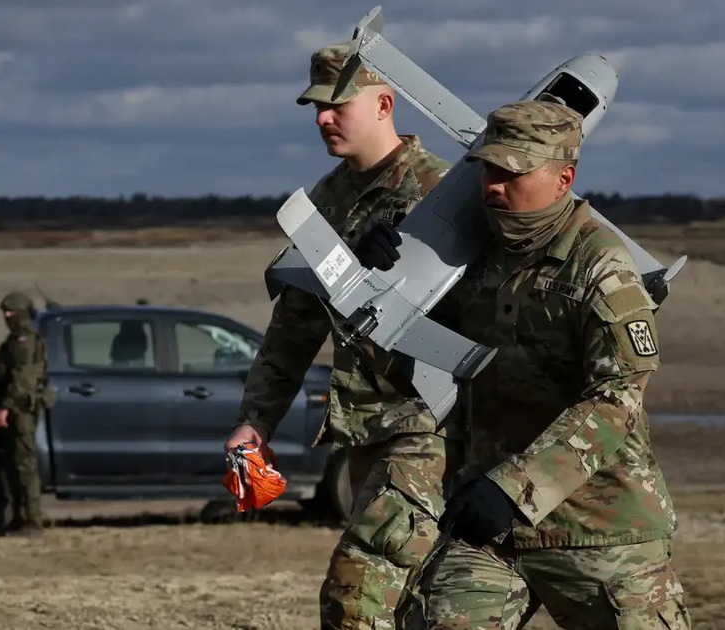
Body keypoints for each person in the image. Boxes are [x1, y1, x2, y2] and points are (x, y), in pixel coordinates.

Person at [350, 100, 691, 629]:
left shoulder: (602, 267)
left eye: (513, 173)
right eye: (488, 170)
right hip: (489, 531)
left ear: (563, 179)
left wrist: (513, 488)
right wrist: (379, 284)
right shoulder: (470, 258)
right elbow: (411, 369)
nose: (493, 186)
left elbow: (616, 400)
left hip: (599, 531)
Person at [224, 42, 459, 630]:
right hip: (366, 432)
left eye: (337, 105)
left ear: (384, 104)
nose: (323, 119)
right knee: (413, 606)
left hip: (431, 427)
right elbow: (294, 327)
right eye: (316, 108)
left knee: (357, 593)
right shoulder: (325, 203)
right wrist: (256, 421)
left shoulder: (444, 192)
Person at [0, 291, 48, 536]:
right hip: (15, 407)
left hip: (21, 409)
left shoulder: (25, 339)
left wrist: (6, 407)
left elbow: (23, 377)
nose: (7, 316)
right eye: (5, 312)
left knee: (25, 465)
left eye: (10, 311)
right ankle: (20, 517)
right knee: (14, 465)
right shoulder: (15, 338)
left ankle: (32, 521)